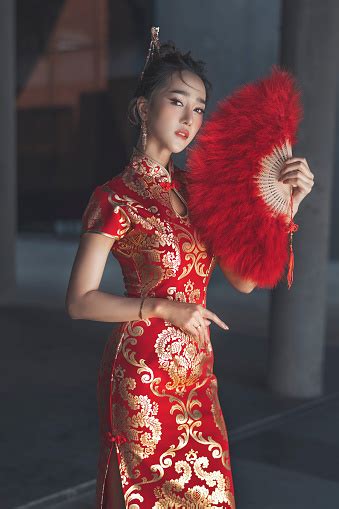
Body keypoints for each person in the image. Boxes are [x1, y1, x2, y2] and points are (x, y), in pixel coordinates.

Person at [65, 28, 298, 509]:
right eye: (178, 101)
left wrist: (282, 211)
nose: (190, 117)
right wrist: (165, 309)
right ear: (142, 109)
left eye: (199, 107)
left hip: (197, 376)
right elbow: (80, 301)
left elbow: (245, 281)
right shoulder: (114, 198)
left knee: (210, 497)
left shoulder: (201, 192)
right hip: (141, 375)